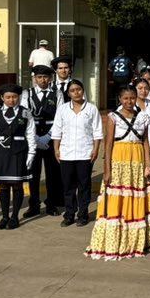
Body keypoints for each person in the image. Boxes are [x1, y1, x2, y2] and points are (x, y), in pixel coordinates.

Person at [86, 84, 150, 260]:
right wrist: (107, 170)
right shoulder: (113, 118)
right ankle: (116, 242)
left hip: (137, 162)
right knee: (117, 200)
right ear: (120, 99)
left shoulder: (143, 117)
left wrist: (148, 165)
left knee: (136, 200)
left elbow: (145, 142)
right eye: (125, 98)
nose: (129, 101)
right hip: (119, 162)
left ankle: (137, 243)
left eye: (132, 98)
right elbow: (109, 145)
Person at [0, 83, 36, 230]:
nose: (11, 100)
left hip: (19, 151)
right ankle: (4, 216)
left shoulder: (26, 113)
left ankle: (14, 217)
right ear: (2, 98)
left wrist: (31, 154)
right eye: (8, 97)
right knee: (3, 185)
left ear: (18, 97)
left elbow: (31, 134)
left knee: (17, 184)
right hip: (0, 152)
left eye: (14, 97)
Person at [51, 79, 103, 227]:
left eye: (79, 89)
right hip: (66, 152)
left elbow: (97, 132)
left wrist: (96, 149)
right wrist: (56, 149)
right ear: (68, 93)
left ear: (83, 90)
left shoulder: (91, 109)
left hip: (85, 153)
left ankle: (83, 214)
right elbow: (57, 131)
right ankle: (69, 214)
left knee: (84, 185)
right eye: (73, 90)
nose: (76, 93)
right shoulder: (62, 109)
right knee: (68, 186)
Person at [23, 64, 63, 217]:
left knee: (52, 173)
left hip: (51, 138)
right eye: (39, 77)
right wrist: (35, 138)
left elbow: (59, 118)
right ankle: (33, 205)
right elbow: (25, 116)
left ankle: (51, 204)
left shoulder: (57, 94)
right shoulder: (28, 94)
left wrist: (47, 137)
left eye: (45, 77)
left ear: (50, 78)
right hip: (33, 138)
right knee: (33, 174)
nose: (42, 80)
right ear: (35, 78)